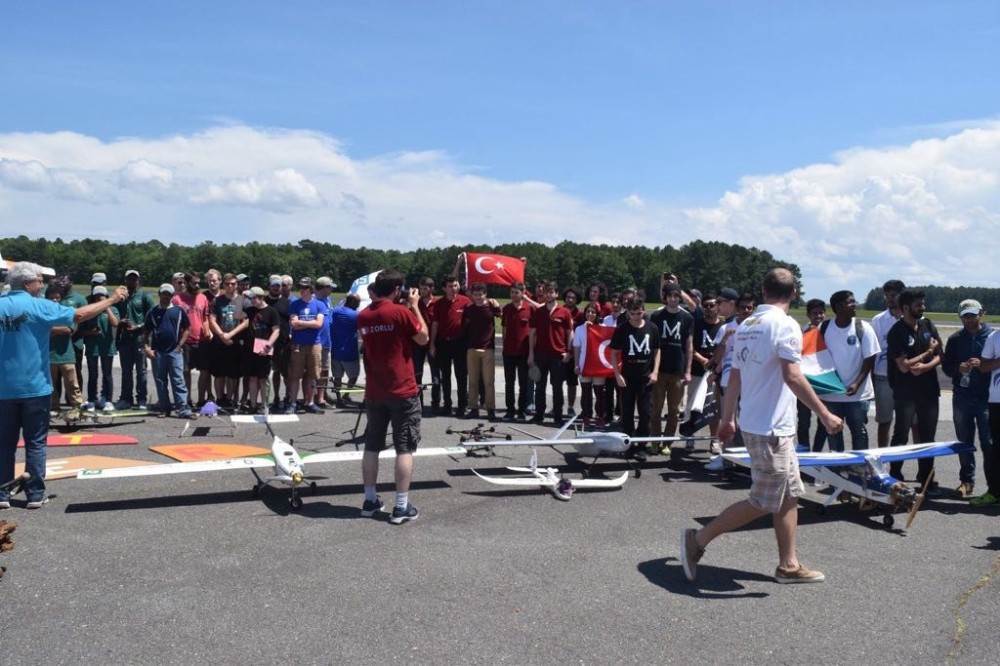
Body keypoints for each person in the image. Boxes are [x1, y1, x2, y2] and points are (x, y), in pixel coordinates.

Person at [680, 268, 843, 584]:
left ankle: (789, 565)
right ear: (793, 294)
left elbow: (735, 376)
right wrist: (824, 413)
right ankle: (697, 540)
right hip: (771, 428)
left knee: (790, 493)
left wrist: (728, 419)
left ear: (764, 291)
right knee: (763, 500)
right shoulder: (785, 325)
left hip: (761, 422)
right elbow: (793, 375)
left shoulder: (746, 325)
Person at [1, 262, 127, 510]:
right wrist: (111, 300)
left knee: (4, 443)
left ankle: (3, 493)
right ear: (27, 284)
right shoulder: (38, 305)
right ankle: (35, 494)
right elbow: (79, 315)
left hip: (3, 389)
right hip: (35, 387)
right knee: (35, 442)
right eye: (39, 280)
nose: (42, 284)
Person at [357, 269, 428, 525]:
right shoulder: (401, 312)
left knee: (372, 446)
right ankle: (401, 506)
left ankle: (369, 499)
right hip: (402, 389)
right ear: (397, 289)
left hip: (375, 390)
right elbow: (423, 337)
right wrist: (415, 306)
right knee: (405, 447)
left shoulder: (363, 316)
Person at [886, 289, 942, 488]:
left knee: (928, 436)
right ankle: (894, 475)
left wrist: (926, 366)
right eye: (919, 305)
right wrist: (928, 351)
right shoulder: (896, 332)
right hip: (905, 393)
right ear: (906, 308)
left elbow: (940, 355)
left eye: (923, 304)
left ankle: (926, 479)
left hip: (928, 391)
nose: (923, 308)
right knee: (901, 434)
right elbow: (903, 365)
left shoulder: (927, 324)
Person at [818, 291, 879, 452]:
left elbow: (869, 359)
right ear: (838, 307)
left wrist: (856, 383)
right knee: (833, 432)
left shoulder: (863, 327)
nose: (855, 305)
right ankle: (838, 469)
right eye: (850, 302)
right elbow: (815, 358)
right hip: (831, 394)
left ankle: (859, 468)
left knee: (859, 432)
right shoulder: (823, 328)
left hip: (857, 396)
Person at [942, 299, 992, 498]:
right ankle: (967, 481)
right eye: (964, 316)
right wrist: (957, 369)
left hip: (986, 397)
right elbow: (946, 367)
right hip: (962, 396)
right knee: (964, 442)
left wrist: (983, 364)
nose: (968, 319)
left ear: (982, 313)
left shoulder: (992, 337)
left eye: (972, 315)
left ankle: (993, 484)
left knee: (989, 443)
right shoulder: (955, 339)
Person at [610, 297, 660, 449]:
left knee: (645, 413)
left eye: (639, 313)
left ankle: (642, 446)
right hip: (627, 377)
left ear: (644, 311)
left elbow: (657, 351)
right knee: (627, 414)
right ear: (628, 314)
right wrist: (617, 374)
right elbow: (613, 352)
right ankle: (628, 445)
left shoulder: (652, 328)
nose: (637, 317)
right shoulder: (622, 329)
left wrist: (655, 371)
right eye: (633, 314)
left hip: (646, 377)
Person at [648, 283, 693, 445]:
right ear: (665, 297)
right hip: (659, 369)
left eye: (675, 296)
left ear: (679, 297)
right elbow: (651, 345)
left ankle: (667, 442)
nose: (673, 299)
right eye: (669, 296)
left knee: (674, 410)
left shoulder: (687, 317)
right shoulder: (656, 316)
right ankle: (654, 440)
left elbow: (689, 346)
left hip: (677, 370)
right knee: (655, 409)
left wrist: (687, 370)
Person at [143, 284, 194, 419]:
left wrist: (180, 345)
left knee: (178, 380)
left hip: (174, 352)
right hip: (158, 352)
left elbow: (187, 328)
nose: (166, 296)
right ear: (159, 294)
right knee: (160, 381)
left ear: (172, 296)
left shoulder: (179, 311)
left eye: (169, 294)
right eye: (164, 293)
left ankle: (183, 409)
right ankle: (164, 409)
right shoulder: (152, 312)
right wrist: (147, 348)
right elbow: (146, 332)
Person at [528, 281, 574, 426]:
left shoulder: (564, 312)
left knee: (557, 386)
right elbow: (532, 333)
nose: (549, 294)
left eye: (551, 292)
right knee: (539, 385)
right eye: (547, 292)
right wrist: (531, 353)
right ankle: (539, 414)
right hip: (540, 354)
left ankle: (558, 416)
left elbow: (569, 333)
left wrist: (569, 352)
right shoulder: (539, 312)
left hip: (558, 355)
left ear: (556, 294)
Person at [429, 276, 472, 417]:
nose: (453, 288)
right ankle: (447, 405)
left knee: (461, 376)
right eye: (450, 286)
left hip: (460, 343)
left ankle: (462, 405)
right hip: (443, 343)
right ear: (444, 288)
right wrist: (432, 345)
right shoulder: (439, 304)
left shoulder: (465, 301)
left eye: (455, 285)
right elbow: (435, 324)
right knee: (445, 376)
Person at [285, 277, 329, 414]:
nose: (302, 290)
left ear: (311, 289)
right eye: (301, 288)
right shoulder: (295, 304)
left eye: (305, 288)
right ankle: (292, 402)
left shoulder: (319, 304)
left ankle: (309, 402)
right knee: (295, 375)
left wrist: (302, 323)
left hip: (315, 344)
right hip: (298, 344)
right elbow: (294, 324)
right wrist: (310, 323)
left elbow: (319, 324)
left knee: (311, 374)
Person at [870, 279, 905, 448]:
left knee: (909, 422)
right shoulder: (878, 320)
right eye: (887, 295)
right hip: (883, 376)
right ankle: (882, 456)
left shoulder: (912, 318)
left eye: (894, 295)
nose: (890, 299)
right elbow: (872, 351)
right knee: (884, 421)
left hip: (906, 377)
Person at [115, 269, 156, 409]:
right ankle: (125, 398)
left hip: (140, 339)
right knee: (126, 371)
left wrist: (138, 326)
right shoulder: (120, 296)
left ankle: (142, 399)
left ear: (138, 280)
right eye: (129, 279)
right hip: (124, 339)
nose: (132, 281)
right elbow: (113, 314)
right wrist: (121, 321)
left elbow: (152, 317)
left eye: (134, 279)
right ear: (125, 280)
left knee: (141, 371)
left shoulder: (144, 296)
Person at [171, 271, 211, 407]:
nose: (197, 285)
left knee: (204, 370)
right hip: (185, 340)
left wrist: (207, 331)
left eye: (199, 282)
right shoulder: (177, 300)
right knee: (185, 371)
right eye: (194, 283)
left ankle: (201, 399)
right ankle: (187, 399)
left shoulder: (203, 298)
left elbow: (205, 318)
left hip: (201, 340)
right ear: (187, 283)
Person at [462, 282, 501, 421]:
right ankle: (473, 408)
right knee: (472, 381)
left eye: (481, 294)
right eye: (476, 294)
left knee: (489, 381)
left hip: (488, 348)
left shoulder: (491, 306)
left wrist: (497, 305)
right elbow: (465, 326)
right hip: (472, 348)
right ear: (472, 295)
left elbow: (502, 317)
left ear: (485, 294)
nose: (478, 297)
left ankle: (490, 409)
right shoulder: (469, 308)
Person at [46, 284, 85, 420]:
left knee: (72, 383)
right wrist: (55, 329)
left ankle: (77, 406)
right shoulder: (44, 312)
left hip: (66, 354)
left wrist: (51, 329)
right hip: (49, 355)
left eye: (57, 298)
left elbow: (70, 330)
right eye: (52, 298)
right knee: (51, 385)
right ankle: (54, 407)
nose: (55, 300)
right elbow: (46, 330)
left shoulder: (66, 311)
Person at [972, 323, 1000, 506]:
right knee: (996, 449)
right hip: (997, 401)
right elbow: (983, 366)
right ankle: (995, 492)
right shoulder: (994, 337)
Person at [78, 286, 119, 410]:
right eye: (97, 297)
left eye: (101, 296)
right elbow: (80, 330)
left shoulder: (113, 309)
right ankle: (91, 399)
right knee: (93, 374)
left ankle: (107, 399)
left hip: (107, 347)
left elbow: (115, 323)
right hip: (92, 347)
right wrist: (91, 332)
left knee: (107, 374)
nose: (99, 299)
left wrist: (106, 306)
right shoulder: (89, 310)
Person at [797, 299, 829, 452]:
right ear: (808, 315)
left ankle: (817, 451)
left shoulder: (829, 330)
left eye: (821, 312)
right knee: (803, 421)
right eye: (814, 313)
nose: (818, 316)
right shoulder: (800, 332)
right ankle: (804, 451)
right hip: (805, 382)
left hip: (823, 381)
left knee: (823, 420)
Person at [242, 287, 281, 412]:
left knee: (263, 378)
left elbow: (276, 331)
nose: (252, 301)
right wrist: (241, 298)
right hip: (250, 348)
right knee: (253, 377)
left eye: (254, 298)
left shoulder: (271, 311)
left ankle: (265, 405)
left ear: (261, 297)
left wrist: (269, 345)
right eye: (251, 298)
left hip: (264, 347)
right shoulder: (250, 310)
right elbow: (238, 314)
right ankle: (253, 404)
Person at [501, 282, 534, 421]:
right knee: (509, 383)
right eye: (512, 292)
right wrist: (504, 345)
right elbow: (504, 329)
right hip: (508, 352)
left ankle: (521, 411)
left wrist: (532, 351)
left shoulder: (529, 309)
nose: (514, 295)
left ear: (523, 293)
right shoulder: (507, 309)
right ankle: (510, 410)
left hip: (524, 352)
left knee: (523, 383)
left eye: (517, 292)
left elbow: (533, 331)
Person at [572, 303, 608, 428]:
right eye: (588, 312)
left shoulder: (603, 327)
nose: (590, 314)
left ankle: (600, 416)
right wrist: (576, 365)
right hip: (584, 364)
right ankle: (586, 416)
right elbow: (577, 348)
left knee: (599, 392)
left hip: (598, 365)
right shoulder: (579, 329)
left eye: (593, 312)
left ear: (597, 314)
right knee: (586, 392)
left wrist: (594, 329)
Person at [411, 276, 440, 411]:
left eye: (425, 288)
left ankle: (435, 402)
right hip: (418, 343)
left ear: (431, 289)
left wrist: (433, 344)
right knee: (417, 373)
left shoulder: (437, 304)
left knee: (435, 373)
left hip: (433, 342)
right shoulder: (415, 304)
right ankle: (419, 401)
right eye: (421, 288)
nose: (422, 291)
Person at [329, 293, 362, 400]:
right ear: (352, 302)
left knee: (337, 376)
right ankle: (346, 395)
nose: (358, 305)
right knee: (353, 376)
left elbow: (341, 303)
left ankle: (338, 397)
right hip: (350, 352)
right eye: (357, 302)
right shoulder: (356, 315)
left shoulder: (335, 311)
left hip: (336, 351)